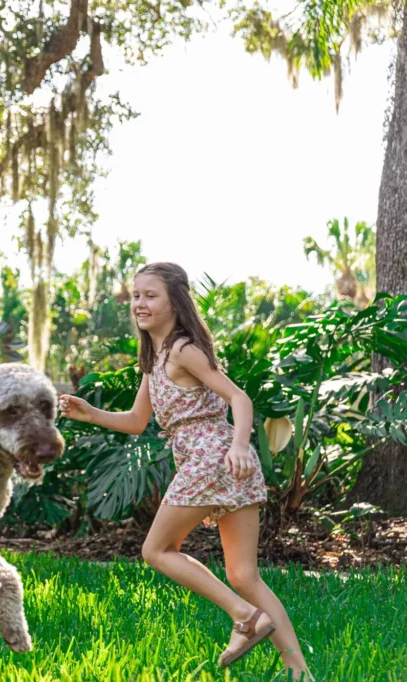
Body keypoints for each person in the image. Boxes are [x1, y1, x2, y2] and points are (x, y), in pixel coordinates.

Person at [59, 262, 311, 679]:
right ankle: (299, 672)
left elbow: (240, 399)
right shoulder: (155, 358)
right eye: (136, 295)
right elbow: (138, 421)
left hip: (212, 457)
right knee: (244, 574)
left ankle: (244, 617)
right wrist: (90, 414)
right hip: (219, 461)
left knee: (156, 550)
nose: (139, 303)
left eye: (150, 295)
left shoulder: (181, 349)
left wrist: (239, 445)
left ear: (175, 302)